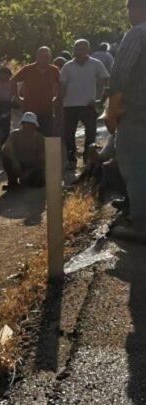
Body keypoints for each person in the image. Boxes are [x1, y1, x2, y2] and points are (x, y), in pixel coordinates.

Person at [105, 0, 146, 242]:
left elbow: (120, 74)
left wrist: (111, 112)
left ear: (135, 9)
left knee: (135, 165)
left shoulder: (137, 33)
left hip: (138, 113)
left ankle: (140, 223)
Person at [59, 39, 110, 169]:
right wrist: (59, 102)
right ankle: (71, 159)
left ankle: (88, 159)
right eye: (77, 49)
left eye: (82, 49)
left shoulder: (96, 64)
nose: (79, 51)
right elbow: (62, 86)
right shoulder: (68, 66)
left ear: (88, 50)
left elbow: (107, 82)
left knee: (91, 133)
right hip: (70, 105)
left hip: (88, 105)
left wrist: (101, 101)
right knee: (69, 134)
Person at [11, 46, 60, 136]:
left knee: (47, 136)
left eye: (47, 57)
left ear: (50, 58)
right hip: (29, 109)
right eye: (42, 56)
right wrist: (18, 98)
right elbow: (13, 81)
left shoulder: (54, 70)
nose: (44, 59)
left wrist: (57, 98)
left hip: (47, 109)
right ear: (37, 56)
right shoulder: (28, 69)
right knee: (28, 135)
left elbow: (62, 85)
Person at [1, 112, 46, 190]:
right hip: (17, 163)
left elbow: (43, 160)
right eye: (25, 124)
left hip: (32, 166)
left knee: (40, 183)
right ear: (22, 125)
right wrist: (14, 161)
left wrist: (29, 171)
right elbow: (6, 149)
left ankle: (27, 179)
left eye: (30, 125)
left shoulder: (40, 138)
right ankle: (12, 181)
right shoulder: (14, 135)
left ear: (34, 126)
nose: (27, 127)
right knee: (5, 155)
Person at [0, 66, 15, 149]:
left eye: (7, 74)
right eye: (3, 74)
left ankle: (3, 146)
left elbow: (14, 94)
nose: (5, 76)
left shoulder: (12, 83)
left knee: (5, 127)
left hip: (6, 106)